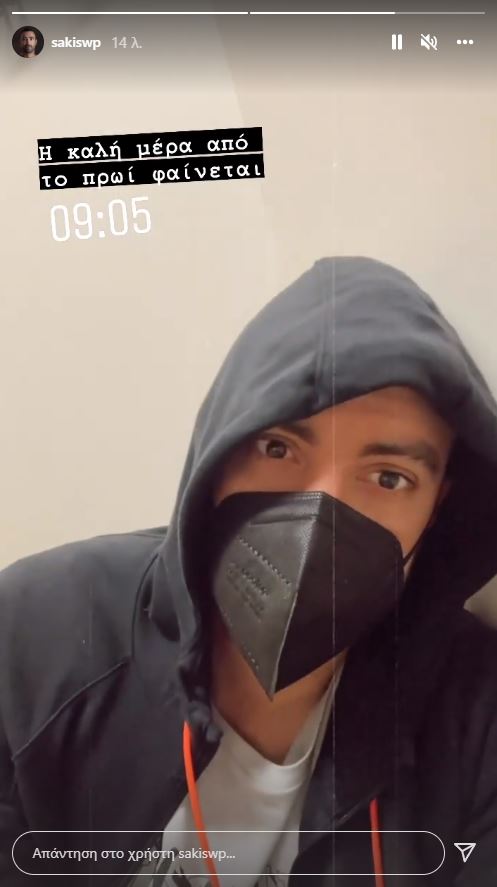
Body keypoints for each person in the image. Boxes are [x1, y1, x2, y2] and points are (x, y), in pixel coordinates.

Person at [1, 256, 497, 887]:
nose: (319, 518)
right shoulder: (35, 638)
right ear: (218, 452)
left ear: (438, 509)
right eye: (278, 448)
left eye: (388, 477)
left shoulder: (475, 715)